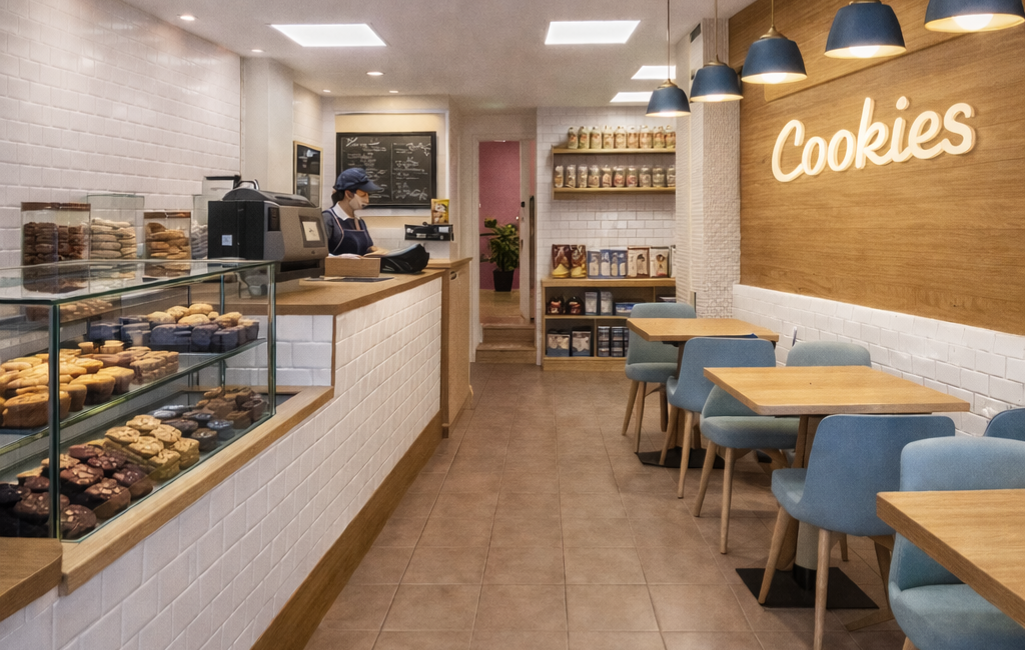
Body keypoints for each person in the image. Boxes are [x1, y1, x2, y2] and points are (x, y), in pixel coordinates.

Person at [322, 168, 384, 256]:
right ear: (348, 194)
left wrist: (373, 249)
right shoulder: (328, 219)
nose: (367, 201)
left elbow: (363, 249)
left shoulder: (359, 222)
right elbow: (318, 254)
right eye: (363, 195)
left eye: (368, 195)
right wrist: (341, 258)